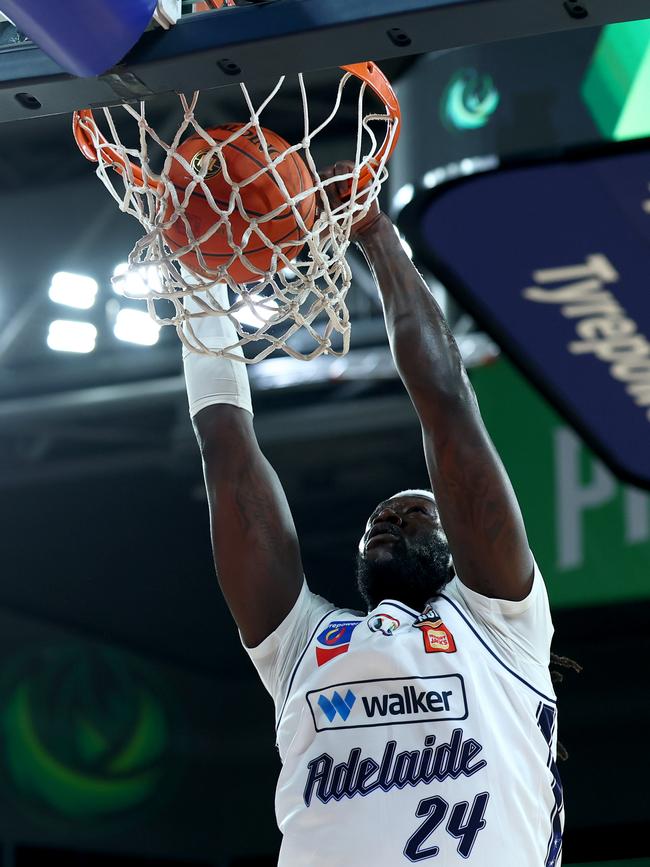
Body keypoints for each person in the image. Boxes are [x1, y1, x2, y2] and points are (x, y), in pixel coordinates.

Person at [183, 167, 564, 866]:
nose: (387, 519)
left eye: (418, 514)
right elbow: (228, 459)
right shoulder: (306, 645)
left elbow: (448, 407)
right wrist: (198, 284)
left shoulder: (500, 625)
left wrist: (376, 234)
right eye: (380, 519)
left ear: (464, 553)